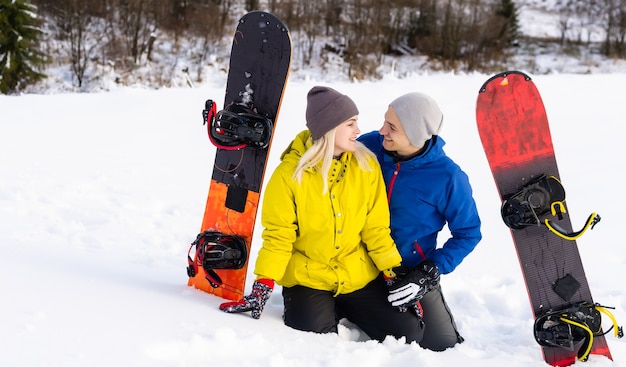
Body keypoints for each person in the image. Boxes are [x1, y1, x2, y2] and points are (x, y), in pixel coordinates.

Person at [219, 86, 424, 343]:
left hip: (356, 274)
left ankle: (345, 307)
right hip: (309, 277)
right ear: (329, 128)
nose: (358, 131)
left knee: (409, 332)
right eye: (350, 124)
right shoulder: (288, 175)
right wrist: (264, 283)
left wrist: (392, 275)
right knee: (313, 335)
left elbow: (376, 229)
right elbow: (279, 235)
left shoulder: (367, 165)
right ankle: (327, 307)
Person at [358, 92, 482, 351]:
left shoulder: (448, 177)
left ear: (415, 134)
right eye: (384, 121)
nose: (382, 131)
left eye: (392, 127)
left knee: (442, 344)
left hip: (409, 271)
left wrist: (430, 271)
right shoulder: (369, 146)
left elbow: (468, 233)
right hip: (359, 263)